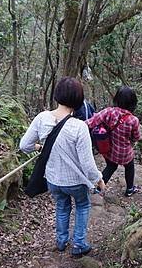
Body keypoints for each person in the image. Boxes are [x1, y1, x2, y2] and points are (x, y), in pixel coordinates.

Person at [19, 77, 106, 257]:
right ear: (79, 100)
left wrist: (39, 147)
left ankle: (61, 241)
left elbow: (24, 146)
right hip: (75, 182)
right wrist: (98, 179)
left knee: (61, 206)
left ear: (57, 95)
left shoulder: (42, 118)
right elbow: (87, 164)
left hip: (53, 179)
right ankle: (79, 244)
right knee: (82, 205)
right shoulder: (79, 127)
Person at [86, 86, 141, 197]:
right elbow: (136, 137)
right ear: (133, 102)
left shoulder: (108, 112)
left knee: (111, 167)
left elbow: (90, 123)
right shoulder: (133, 120)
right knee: (129, 167)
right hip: (124, 153)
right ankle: (130, 189)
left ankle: (98, 189)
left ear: (117, 99)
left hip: (109, 150)